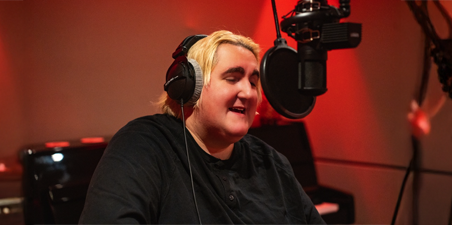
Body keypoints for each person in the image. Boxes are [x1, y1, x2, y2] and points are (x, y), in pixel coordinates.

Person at [79, 30, 324, 224]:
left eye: (253, 82)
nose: (248, 92)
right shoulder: (142, 146)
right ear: (189, 86)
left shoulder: (272, 161)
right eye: (232, 78)